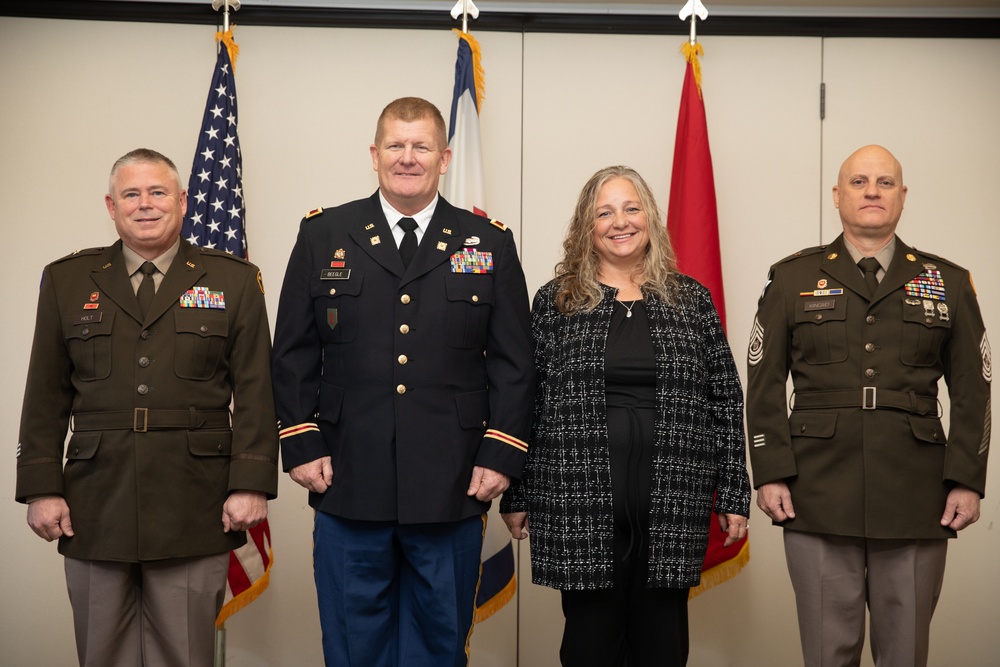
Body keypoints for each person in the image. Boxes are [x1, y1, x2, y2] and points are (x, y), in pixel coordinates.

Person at [271, 96, 534, 667]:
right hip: (346, 476)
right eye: (396, 145)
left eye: (421, 147)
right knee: (352, 645)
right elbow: (293, 349)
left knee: (440, 646)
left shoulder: (486, 242)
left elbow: (514, 363)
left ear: (444, 157)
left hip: (454, 481)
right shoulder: (325, 234)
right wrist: (301, 440)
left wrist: (502, 455)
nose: (407, 158)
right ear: (374, 154)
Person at [15, 148, 279, 667]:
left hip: (194, 498)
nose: (145, 205)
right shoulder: (68, 280)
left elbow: (255, 391)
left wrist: (249, 483)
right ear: (111, 207)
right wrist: (41, 488)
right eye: (131, 194)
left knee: (185, 653)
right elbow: (45, 392)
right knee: (102, 653)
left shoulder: (233, 281)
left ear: (182, 202)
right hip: (96, 501)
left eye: (157, 192)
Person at [746, 144, 990, 667]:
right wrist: (770, 472)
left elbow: (974, 388)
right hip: (815, 490)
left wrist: (967, 478)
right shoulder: (791, 279)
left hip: (916, 491)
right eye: (859, 182)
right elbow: (763, 382)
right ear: (837, 196)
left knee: (904, 653)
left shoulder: (946, 282)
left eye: (885, 182)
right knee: (827, 652)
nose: (872, 191)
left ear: (903, 196)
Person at [501, 165, 750, 667]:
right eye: (605, 212)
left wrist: (736, 491)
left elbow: (724, 399)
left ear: (650, 219)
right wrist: (518, 490)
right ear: (586, 227)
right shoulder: (557, 301)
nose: (621, 221)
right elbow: (526, 400)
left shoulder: (691, 300)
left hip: (672, 505)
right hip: (579, 503)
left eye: (631, 208)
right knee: (589, 647)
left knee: (663, 647)